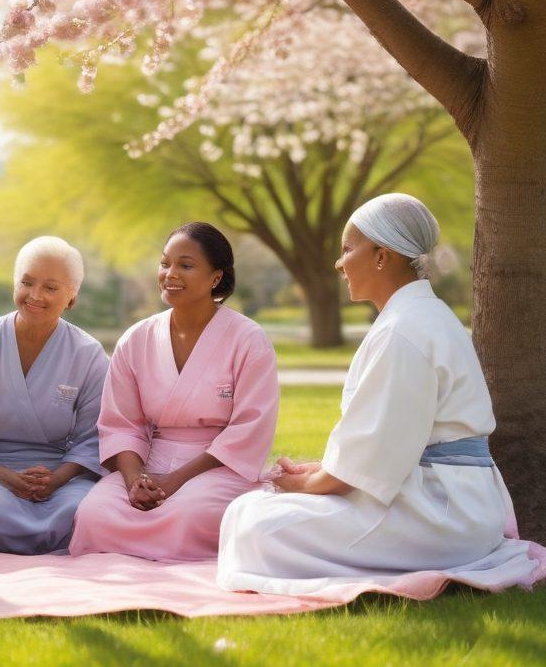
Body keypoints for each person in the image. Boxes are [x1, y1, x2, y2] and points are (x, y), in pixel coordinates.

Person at [218, 193, 538, 594]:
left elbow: (378, 453)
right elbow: (388, 444)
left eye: (348, 249)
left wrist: (307, 484)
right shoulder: (421, 317)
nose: (339, 263)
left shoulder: (405, 331)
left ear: (382, 257)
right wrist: (320, 470)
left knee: (256, 526)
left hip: (439, 514)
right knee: (248, 511)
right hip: (450, 503)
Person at [70, 222, 279, 562]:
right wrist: (136, 478)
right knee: (94, 514)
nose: (170, 274)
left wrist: (174, 482)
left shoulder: (248, 340)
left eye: (185, 265)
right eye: (165, 263)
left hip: (218, 466)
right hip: (149, 462)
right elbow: (121, 424)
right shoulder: (136, 339)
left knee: (188, 516)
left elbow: (249, 427)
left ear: (216, 277)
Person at [0, 236, 108, 554]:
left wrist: (55, 479)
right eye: (26, 283)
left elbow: (92, 438)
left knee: (83, 510)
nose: (35, 296)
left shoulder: (88, 354)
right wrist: (4, 476)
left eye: (51, 288)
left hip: (59, 473)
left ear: (72, 296)